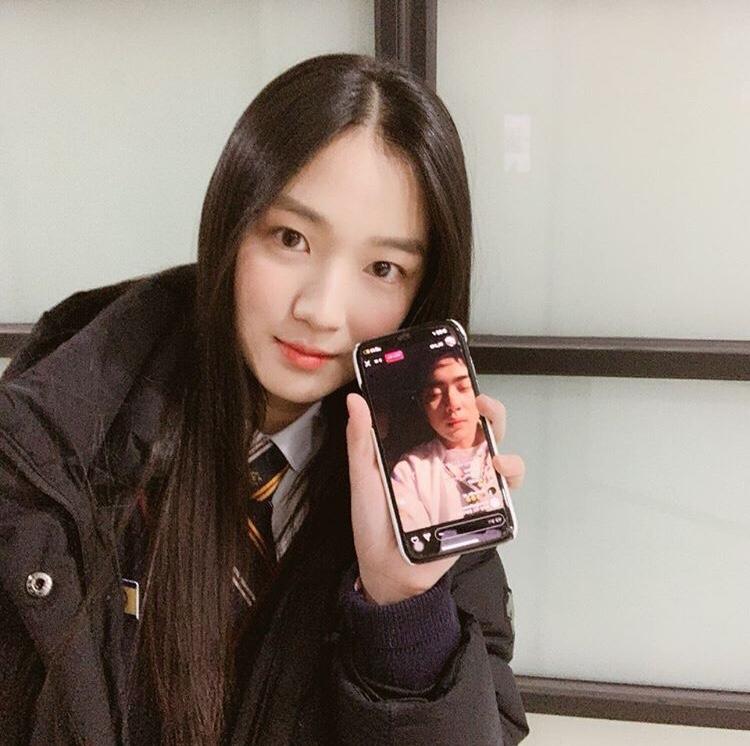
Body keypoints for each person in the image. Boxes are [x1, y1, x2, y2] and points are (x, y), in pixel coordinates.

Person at [0, 54, 529, 745]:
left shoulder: (428, 503)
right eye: (290, 238)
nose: (321, 310)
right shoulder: (61, 441)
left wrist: (403, 606)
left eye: (382, 267)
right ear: (231, 223)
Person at [391, 352, 507, 532]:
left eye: (463, 387)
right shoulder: (411, 469)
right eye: (435, 394)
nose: (452, 404)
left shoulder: (499, 449)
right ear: (422, 406)